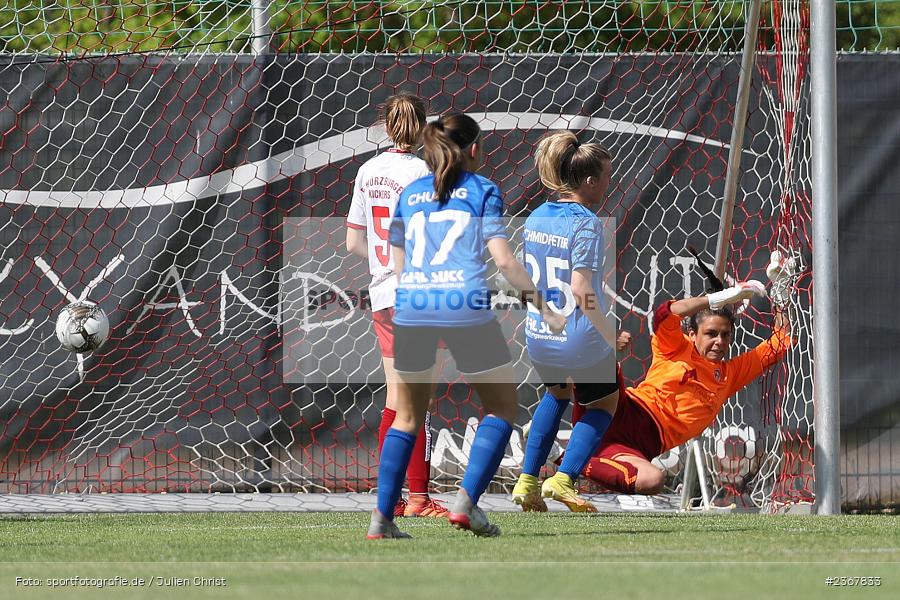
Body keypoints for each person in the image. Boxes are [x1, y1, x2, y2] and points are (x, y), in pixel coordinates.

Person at [366, 113, 565, 539]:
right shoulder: (482, 190)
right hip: (464, 304)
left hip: (414, 307)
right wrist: (543, 304)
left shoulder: (413, 192)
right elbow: (505, 260)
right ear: (474, 148)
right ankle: (466, 504)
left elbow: (398, 263)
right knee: (501, 408)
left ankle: (381, 520)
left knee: (406, 416)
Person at [573, 251, 794, 496]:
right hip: (618, 411)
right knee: (597, 355)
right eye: (711, 333)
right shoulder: (674, 347)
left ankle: (568, 459)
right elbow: (664, 314)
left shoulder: (730, 374)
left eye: (725, 335)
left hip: (636, 448)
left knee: (652, 480)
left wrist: (782, 291)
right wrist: (717, 298)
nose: (719, 341)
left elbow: (781, 341)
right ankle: (560, 428)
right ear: (692, 334)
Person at [346, 94, 446, 518]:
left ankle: (392, 499)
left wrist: (382, 263)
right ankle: (420, 498)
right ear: (424, 128)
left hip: (382, 294)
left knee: (395, 399)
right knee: (417, 400)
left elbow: (353, 242)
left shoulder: (367, 170)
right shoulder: (425, 172)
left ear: (385, 128)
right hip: (417, 295)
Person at [510, 132, 621, 513]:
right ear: (589, 181)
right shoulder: (587, 223)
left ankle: (527, 482)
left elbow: (525, 276)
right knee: (605, 402)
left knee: (557, 394)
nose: (609, 184)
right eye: (606, 177)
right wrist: (609, 333)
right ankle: (563, 479)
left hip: (540, 332)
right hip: (577, 334)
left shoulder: (538, 216)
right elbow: (580, 289)